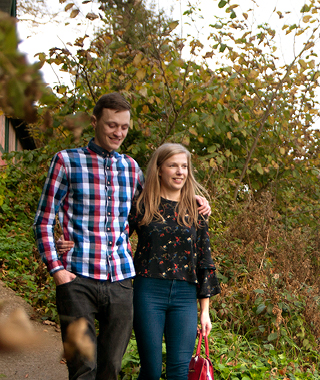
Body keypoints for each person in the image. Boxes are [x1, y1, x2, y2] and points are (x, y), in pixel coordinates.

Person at [33, 92, 210, 380]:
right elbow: (43, 219)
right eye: (112, 125)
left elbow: (155, 210)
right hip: (77, 278)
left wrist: (198, 202)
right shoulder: (66, 162)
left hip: (121, 280)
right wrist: (56, 268)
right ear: (94, 122)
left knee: (111, 368)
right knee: (83, 366)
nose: (118, 132)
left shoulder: (131, 168)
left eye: (124, 127)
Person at [128, 143, 220, 380]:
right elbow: (115, 237)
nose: (180, 172)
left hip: (184, 297)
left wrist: (205, 311)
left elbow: (204, 260)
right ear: (159, 169)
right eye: (173, 166)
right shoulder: (142, 205)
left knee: (179, 371)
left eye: (184, 166)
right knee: (151, 369)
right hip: (148, 292)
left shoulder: (196, 208)